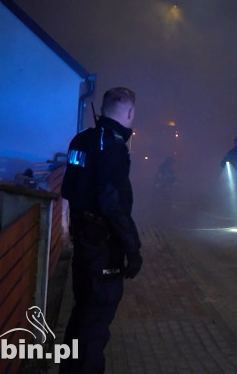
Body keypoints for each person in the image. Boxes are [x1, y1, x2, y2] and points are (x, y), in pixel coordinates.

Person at [60, 87, 142, 374]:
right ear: (129, 113)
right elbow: (113, 203)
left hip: (83, 244)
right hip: (103, 249)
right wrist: (132, 248)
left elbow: (69, 188)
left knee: (81, 314)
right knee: (95, 323)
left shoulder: (81, 140)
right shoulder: (114, 146)